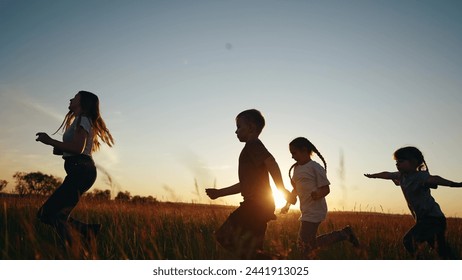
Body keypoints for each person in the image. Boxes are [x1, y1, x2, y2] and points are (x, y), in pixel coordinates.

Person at [205, 109, 296, 259]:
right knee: (256, 249)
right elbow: (245, 184)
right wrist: (219, 193)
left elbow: (271, 162)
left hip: (255, 205)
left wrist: (282, 189)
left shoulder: (253, 144)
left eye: (239, 127)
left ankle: (275, 261)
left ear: (252, 127)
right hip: (261, 205)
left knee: (223, 237)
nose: (236, 131)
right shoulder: (251, 148)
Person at [35, 90, 114, 246]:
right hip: (79, 170)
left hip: (81, 171)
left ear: (82, 102)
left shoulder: (83, 119)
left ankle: (76, 248)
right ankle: (88, 232)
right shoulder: (80, 120)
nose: (70, 99)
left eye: (75, 97)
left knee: (49, 214)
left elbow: (78, 149)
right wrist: (61, 150)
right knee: (53, 215)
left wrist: (50, 141)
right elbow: (77, 149)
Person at [365, 146, 460, 259]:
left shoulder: (420, 176)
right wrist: (374, 176)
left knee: (408, 241)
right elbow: (387, 174)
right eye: (396, 162)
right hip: (425, 220)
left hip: (433, 219)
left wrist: (455, 184)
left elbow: (434, 179)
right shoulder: (401, 176)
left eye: (401, 161)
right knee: (442, 251)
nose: (397, 164)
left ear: (414, 162)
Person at [288, 137, 359, 259]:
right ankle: (344, 234)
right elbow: (296, 188)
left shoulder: (315, 167)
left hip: (315, 210)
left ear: (304, 150)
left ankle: (343, 234)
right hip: (305, 210)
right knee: (306, 245)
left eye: (294, 153)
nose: (292, 157)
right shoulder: (296, 169)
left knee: (303, 247)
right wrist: (288, 203)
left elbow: (326, 188)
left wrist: (318, 194)